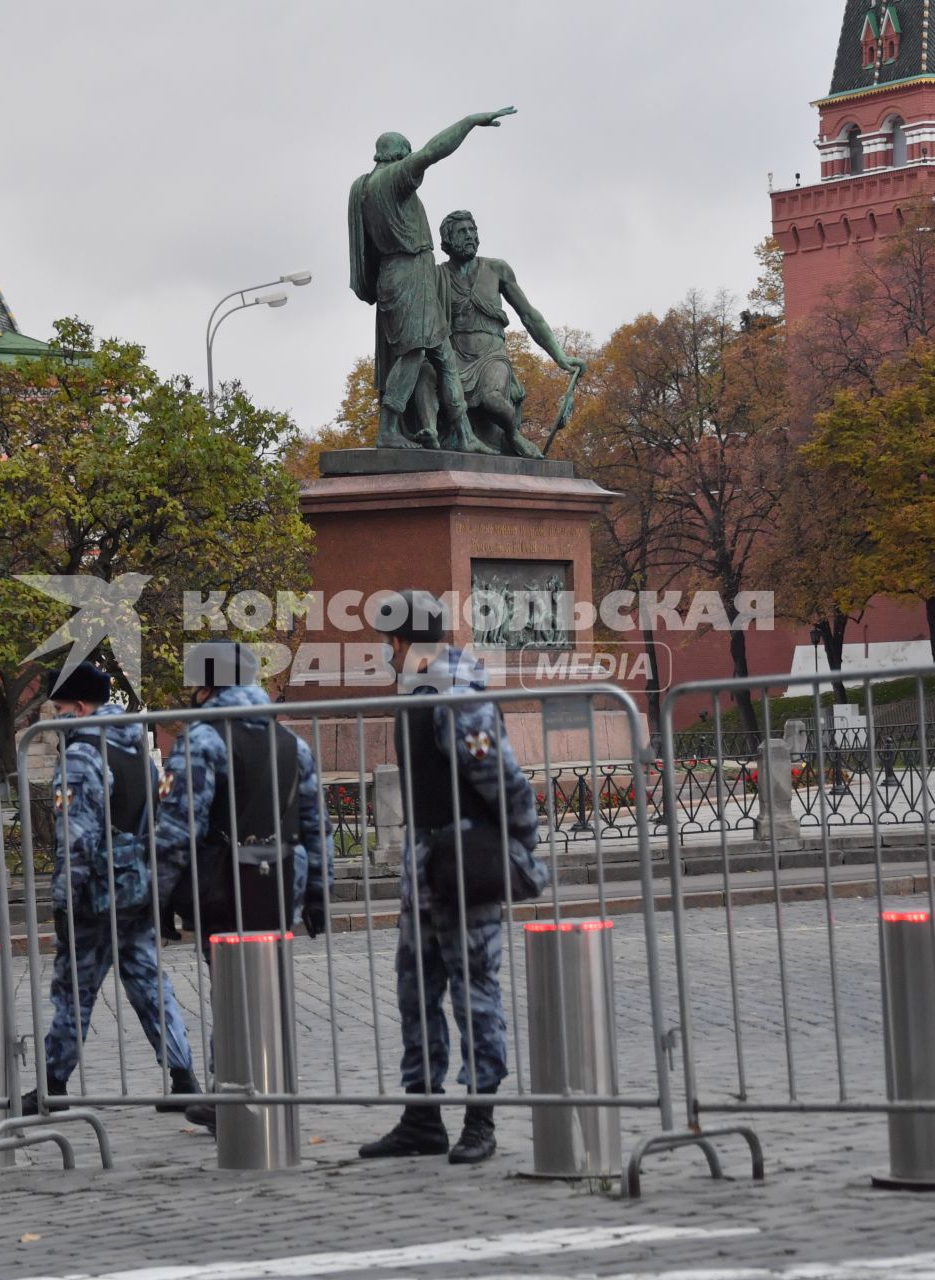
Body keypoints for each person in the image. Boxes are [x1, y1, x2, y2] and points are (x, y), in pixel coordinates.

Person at [360, 591, 547, 1165]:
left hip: (465, 863)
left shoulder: (453, 693)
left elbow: (502, 777)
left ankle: (480, 1117)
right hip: (426, 867)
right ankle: (422, 1117)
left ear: (400, 641)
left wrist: (522, 845)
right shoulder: (423, 688)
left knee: (473, 992)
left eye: (386, 643)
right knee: (416, 992)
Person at [154, 640, 330, 1130]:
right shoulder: (291, 742)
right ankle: (250, 1086)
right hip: (279, 882)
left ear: (208, 687)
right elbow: (318, 825)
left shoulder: (205, 738)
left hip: (223, 882)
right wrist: (318, 890)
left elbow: (176, 828)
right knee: (259, 985)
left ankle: (234, 1090)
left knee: (230, 985)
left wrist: (159, 894)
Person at [24, 660, 199, 1117]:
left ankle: (52, 1084)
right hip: (138, 890)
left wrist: (64, 900)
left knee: (73, 988)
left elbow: (75, 838)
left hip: (95, 897)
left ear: (80, 707)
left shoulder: (83, 756)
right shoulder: (135, 752)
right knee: (147, 982)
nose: (54, 717)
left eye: (58, 708)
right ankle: (184, 1076)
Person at [346, 110, 515, 453]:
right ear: (400, 156)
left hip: (405, 276)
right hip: (409, 276)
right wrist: (471, 121)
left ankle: (465, 435)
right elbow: (435, 151)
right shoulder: (394, 179)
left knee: (444, 357)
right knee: (413, 354)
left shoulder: (362, 188)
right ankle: (389, 427)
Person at [435, 209, 586, 458]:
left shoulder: (497, 269)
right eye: (462, 232)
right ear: (447, 241)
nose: (470, 235)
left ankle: (513, 435)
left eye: (473, 230)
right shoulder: (437, 275)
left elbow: (529, 315)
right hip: (453, 358)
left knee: (492, 399)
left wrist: (560, 357)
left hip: (491, 357)